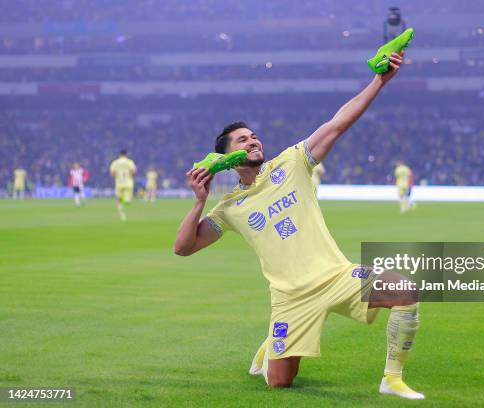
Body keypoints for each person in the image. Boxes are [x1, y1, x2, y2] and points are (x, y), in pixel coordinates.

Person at [174, 51, 424, 400]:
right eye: (242, 140)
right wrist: (199, 201)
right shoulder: (229, 207)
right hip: (290, 298)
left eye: (254, 136)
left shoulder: (291, 163)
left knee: (405, 290)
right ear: (226, 157)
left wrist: (379, 81)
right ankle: (269, 349)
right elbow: (183, 248)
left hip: (336, 277)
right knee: (280, 382)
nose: (253, 141)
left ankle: (392, 379)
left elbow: (337, 123)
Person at [109, 150, 136, 221]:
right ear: (126, 154)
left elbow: (112, 172)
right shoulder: (130, 162)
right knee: (127, 199)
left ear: (120, 154)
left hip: (119, 183)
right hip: (128, 182)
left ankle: (122, 215)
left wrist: (116, 177)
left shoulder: (115, 162)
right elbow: (133, 171)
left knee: (119, 200)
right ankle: (127, 200)